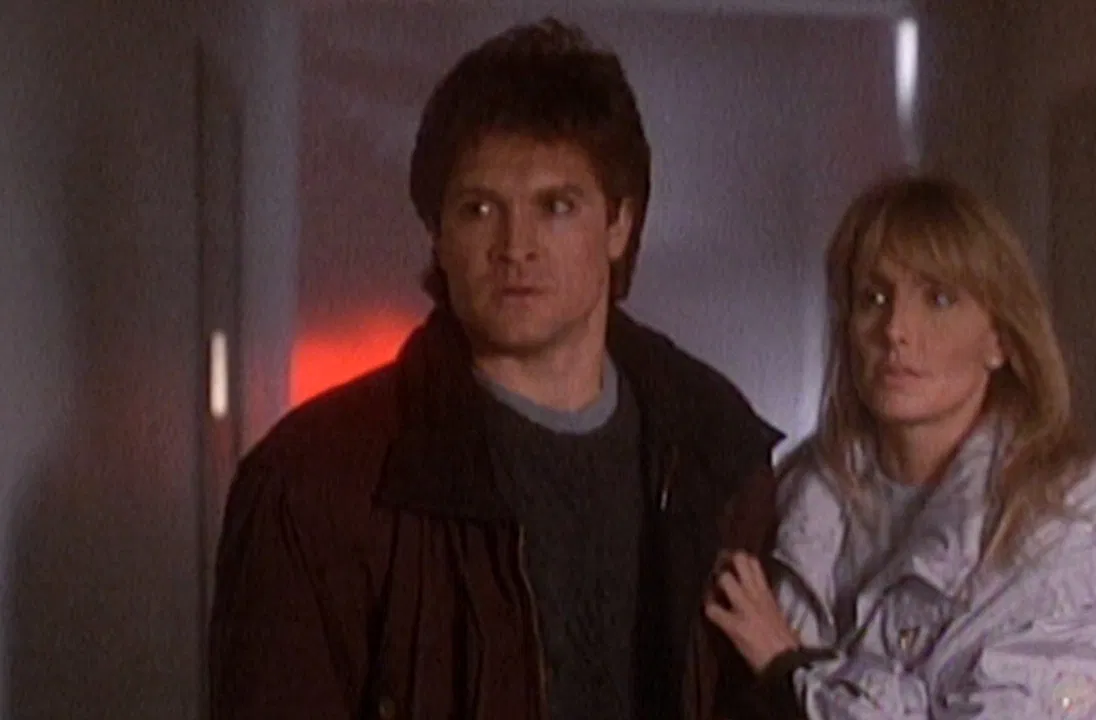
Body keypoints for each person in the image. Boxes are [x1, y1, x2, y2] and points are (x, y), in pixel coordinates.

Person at [208, 18, 784, 720]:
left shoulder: (715, 455)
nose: (516, 246)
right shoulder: (314, 483)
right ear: (438, 233)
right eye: (479, 208)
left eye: (556, 206)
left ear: (618, 224)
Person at [705, 176, 1096, 718]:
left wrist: (788, 669)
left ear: (999, 338)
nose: (896, 330)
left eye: (939, 299)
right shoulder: (793, 498)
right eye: (873, 298)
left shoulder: (1080, 525)